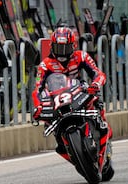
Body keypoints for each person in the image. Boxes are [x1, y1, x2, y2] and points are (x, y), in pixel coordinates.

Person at [32, 26, 113, 163]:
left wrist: (95, 84)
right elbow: (37, 89)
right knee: (47, 121)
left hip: (78, 92)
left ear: (73, 46)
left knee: (96, 101)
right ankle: (64, 145)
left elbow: (98, 73)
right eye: (59, 48)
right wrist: (38, 106)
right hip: (57, 99)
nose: (62, 53)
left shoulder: (81, 56)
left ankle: (103, 128)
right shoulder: (45, 65)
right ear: (52, 47)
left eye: (66, 48)